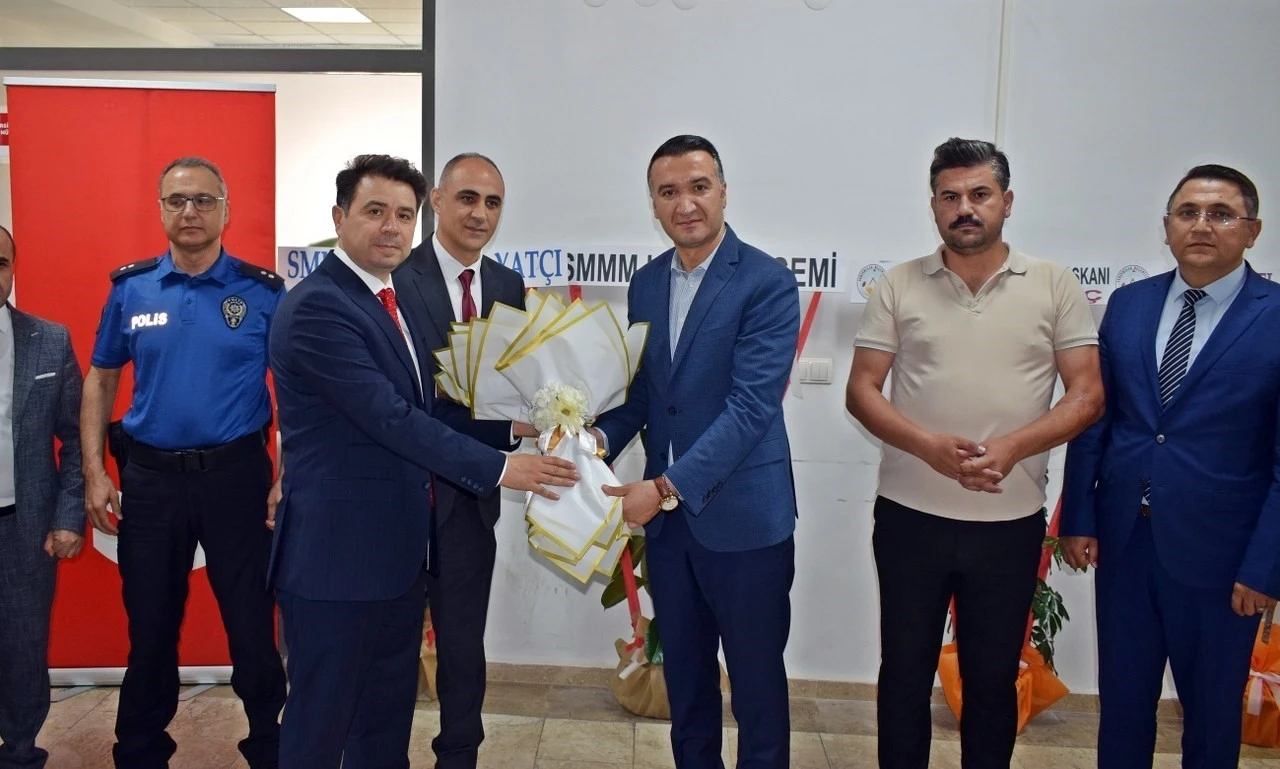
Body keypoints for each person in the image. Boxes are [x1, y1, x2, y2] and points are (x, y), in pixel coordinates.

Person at [267, 153, 577, 769]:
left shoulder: (387, 299)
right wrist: (500, 467)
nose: (391, 227)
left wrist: (518, 427)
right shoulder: (319, 307)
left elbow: (429, 407)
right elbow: (389, 418)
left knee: (383, 728)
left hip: (397, 559)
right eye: (374, 211)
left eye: (403, 215)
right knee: (319, 728)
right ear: (339, 218)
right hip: (337, 562)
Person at [845, 137, 1103, 769]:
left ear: (1006, 202)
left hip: (1009, 524)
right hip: (910, 519)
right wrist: (927, 447)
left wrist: (1014, 447)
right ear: (934, 205)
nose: (965, 208)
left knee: (991, 680)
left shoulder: (1054, 284)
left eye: (979, 194)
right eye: (950, 196)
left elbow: (1088, 395)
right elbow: (862, 390)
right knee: (904, 673)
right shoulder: (898, 284)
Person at [1061, 164, 1280, 769]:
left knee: (1210, 718)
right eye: (1188, 213)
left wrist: (1266, 566)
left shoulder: (1274, 316)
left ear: (1253, 230)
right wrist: (1079, 515)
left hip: (1224, 561)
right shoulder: (1130, 304)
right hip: (1126, 543)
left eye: (1221, 214)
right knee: (1122, 706)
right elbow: (1096, 417)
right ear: (1166, 227)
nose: (1201, 225)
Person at [593, 135, 800, 769]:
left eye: (699, 187)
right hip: (672, 531)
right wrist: (593, 440)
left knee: (756, 687)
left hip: (744, 520)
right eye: (669, 192)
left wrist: (662, 489)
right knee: (686, 682)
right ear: (653, 203)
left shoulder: (765, 281)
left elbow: (750, 408)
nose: (685, 204)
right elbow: (646, 394)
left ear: (723, 192)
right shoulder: (646, 283)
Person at [80, 157, 287, 769]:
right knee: (149, 632)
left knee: (251, 629)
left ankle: (272, 750)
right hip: (151, 485)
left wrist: (287, 475)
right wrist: (94, 472)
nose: (190, 211)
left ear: (226, 210)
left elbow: (295, 390)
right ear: (161, 210)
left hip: (237, 482)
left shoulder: (262, 292)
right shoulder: (132, 288)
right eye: (177, 200)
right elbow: (100, 379)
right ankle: (141, 753)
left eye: (203, 200)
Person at [392, 152, 537, 769]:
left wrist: (547, 414)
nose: (480, 214)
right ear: (436, 200)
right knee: (390, 653)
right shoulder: (395, 276)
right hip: (399, 497)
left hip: (471, 501)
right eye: (468, 198)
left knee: (463, 650)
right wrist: (507, 428)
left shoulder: (508, 287)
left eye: (493, 202)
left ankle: (459, 757)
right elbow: (407, 404)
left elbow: (510, 386)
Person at [0, 225, 84, 769]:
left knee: (23, 649)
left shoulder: (49, 340)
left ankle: (20, 753)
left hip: (23, 527)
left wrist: (69, 515)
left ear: (13, 268)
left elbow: (76, 437)